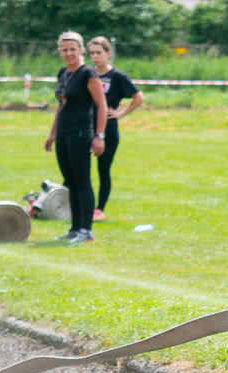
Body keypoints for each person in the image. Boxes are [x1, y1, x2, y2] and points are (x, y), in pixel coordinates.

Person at [45, 31, 107, 245]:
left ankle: (86, 231)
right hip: (64, 133)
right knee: (70, 182)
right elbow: (61, 106)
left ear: (80, 50)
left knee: (82, 182)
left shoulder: (88, 73)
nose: (69, 53)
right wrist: (52, 134)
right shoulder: (63, 73)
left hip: (81, 134)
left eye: (73, 49)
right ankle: (74, 228)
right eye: (65, 49)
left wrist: (99, 135)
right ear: (59, 51)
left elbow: (102, 105)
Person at [87, 36, 143, 222]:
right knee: (78, 168)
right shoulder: (88, 74)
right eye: (92, 53)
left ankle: (99, 209)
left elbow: (138, 97)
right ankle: (72, 204)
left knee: (103, 169)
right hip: (86, 127)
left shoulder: (118, 77)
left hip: (108, 130)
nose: (95, 57)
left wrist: (121, 113)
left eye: (99, 53)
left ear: (108, 53)